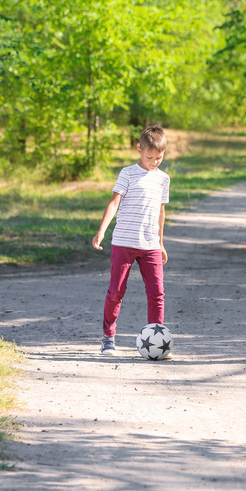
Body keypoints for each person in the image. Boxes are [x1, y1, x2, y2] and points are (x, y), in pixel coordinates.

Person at [92, 125, 171, 356]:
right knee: (116, 291)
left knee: (157, 294)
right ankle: (108, 338)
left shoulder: (164, 179)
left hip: (150, 245)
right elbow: (114, 203)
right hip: (124, 242)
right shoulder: (127, 173)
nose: (155, 161)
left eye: (159, 157)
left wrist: (161, 242)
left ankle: (157, 341)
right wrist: (101, 231)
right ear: (139, 150)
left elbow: (161, 212)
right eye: (149, 157)